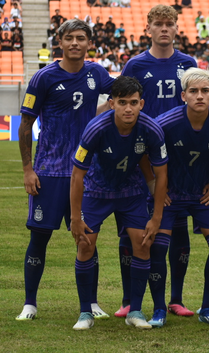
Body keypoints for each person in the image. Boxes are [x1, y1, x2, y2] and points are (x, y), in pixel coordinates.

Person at [15, 19, 115, 322]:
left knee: (87, 237)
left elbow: (121, 93)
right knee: (40, 238)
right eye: (69, 38)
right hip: (49, 171)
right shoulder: (43, 78)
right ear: (60, 42)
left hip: (85, 172)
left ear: (89, 44)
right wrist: (28, 169)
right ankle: (30, 303)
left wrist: (103, 111)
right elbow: (25, 125)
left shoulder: (96, 73)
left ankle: (93, 302)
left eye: (81, 38)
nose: (75, 43)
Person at [69, 76, 168, 330]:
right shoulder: (96, 128)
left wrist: (156, 218)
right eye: (122, 102)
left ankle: (135, 311)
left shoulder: (151, 129)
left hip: (131, 193)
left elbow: (162, 174)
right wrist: (75, 218)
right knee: (85, 245)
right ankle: (85, 313)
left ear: (142, 103)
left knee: (142, 245)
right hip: (97, 192)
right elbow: (77, 175)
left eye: (133, 102)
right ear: (112, 103)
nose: (128, 108)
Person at [117, 4, 197, 318]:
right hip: (141, 157)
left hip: (177, 156)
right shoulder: (135, 64)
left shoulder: (188, 63)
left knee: (177, 228)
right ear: (148, 28)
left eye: (169, 24)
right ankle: (128, 299)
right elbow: (121, 103)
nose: (164, 29)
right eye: (158, 24)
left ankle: (175, 298)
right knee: (132, 228)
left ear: (176, 28)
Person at [148, 68, 209, 327]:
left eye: (205, 91)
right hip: (170, 196)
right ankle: (159, 310)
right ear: (183, 95)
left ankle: (208, 308)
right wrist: (155, 189)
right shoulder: (164, 123)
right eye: (194, 91)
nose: (200, 96)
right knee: (158, 248)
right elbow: (144, 153)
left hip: (202, 195)